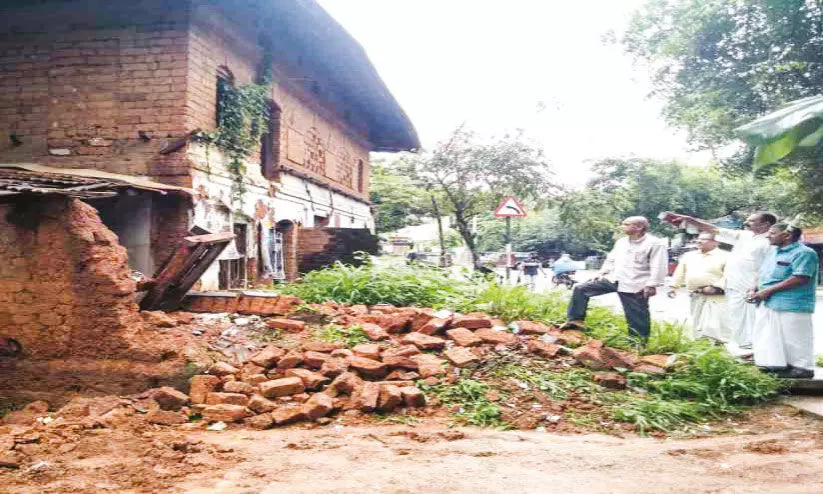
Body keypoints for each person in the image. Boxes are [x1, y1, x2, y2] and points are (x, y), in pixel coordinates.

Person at [661, 211, 777, 350]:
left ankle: (756, 349)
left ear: (765, 224)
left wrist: (755, 285)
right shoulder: (744, 235)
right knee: (737, 318)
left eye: (751, 221)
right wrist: (691, 220)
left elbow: (766, 266)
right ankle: (744, 347)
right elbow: (715, 229)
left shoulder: (770, 242)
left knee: (753, 317)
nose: (746, 223)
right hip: (734, 284)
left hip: (751, 286)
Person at [562, 216, 668, 342]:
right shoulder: (621, 242)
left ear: (639, 227)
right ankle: (575, 320)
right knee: (581, 289)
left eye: (626, 224)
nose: (622, 226)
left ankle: (638, 345)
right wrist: (601, 272)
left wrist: (652, 285)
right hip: (614, 279)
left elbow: (659, 265)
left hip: (636, 284)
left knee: (637, 316)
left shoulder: (654, 243)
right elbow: (611, 259)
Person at [748, 223, 818, 379]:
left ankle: (803, 368)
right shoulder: (772, 252)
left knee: (795, 337)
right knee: (770, 336)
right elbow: (761, 272)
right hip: (769, 302)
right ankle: (778, 365)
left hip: (792, 303)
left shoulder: (805, 253)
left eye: (772, 233)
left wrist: (767, 291)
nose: (767, 235)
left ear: (786, 235)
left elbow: (800, 278)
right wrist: (754, 287)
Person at [668, 232, 730, 342]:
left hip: (716, 295)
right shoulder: (689, 256)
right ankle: (700, 342)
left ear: (715, 242)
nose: (699, 241)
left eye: (704, 239)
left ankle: (720, 343)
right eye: (698, 239)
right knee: (697, 319)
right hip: (695, 294)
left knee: (716, 322)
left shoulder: (725, 256)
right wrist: (673, 287)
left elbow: (729, 275)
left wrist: (716, 287)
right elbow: (680, 272)